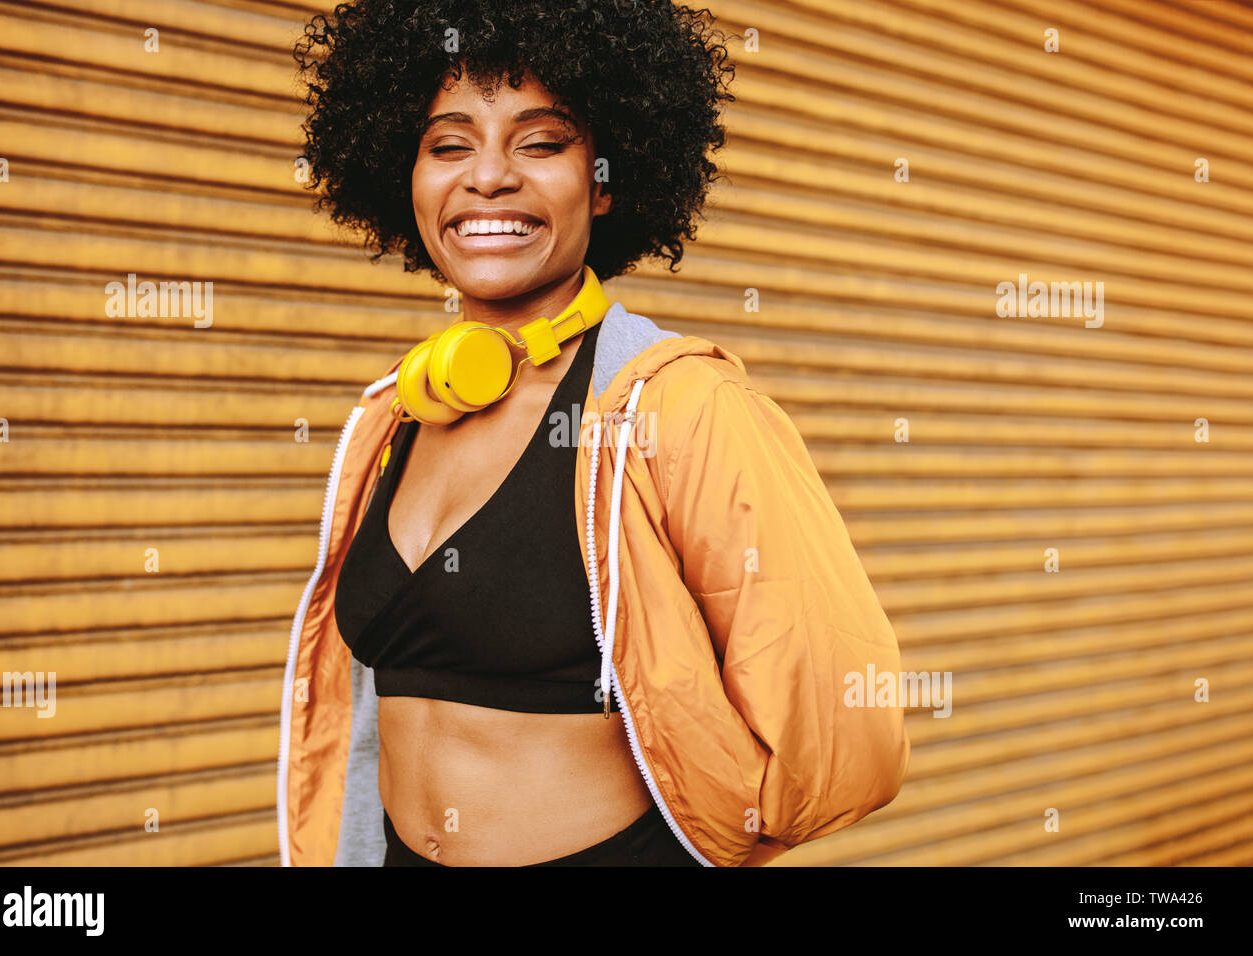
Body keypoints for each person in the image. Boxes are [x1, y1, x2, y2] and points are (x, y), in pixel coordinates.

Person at [278, 0, 909, 868]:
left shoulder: (684, 406)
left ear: (605, 180)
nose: (489, 177)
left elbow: (842, 729)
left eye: (540, 143)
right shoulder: (397, 414)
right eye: (449, 143)